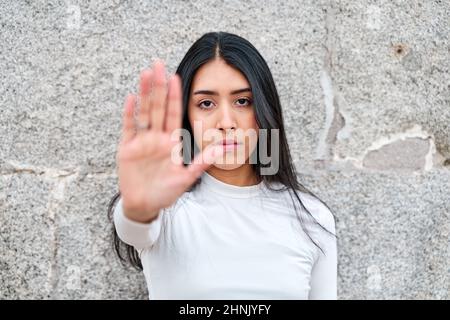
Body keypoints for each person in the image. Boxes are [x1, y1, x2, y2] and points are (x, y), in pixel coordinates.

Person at [107, 31, 337, 299]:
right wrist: (139, 205)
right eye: (206, 103)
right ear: (186, 117)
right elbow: (134, 225)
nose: (226, 122)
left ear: (264, 110)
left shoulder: (312, 218)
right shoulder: (165, 210)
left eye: (242, 101)